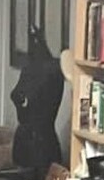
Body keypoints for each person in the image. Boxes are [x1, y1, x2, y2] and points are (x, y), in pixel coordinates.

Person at [10, 24, 65, 170]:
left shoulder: (51, 70)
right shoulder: (30, 69)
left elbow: (22, 96)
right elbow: (16, 95)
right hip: (26, 137)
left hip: (42, 140)